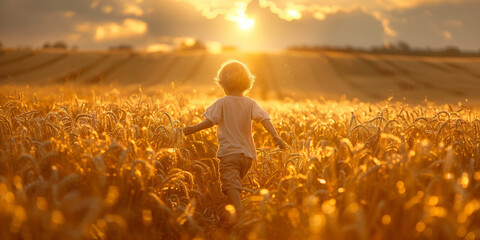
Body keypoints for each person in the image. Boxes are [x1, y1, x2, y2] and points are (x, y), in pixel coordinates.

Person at [183, 60, 286, 213]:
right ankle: (233, 212)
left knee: (230, 185)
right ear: (246, 82)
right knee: (235, 185)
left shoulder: (222, 103)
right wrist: (276, 136)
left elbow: (210, 121)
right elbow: (265, 118)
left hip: (229, 154)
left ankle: (238, 212)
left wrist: (193, 128)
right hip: (247, 156)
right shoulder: (251, 103)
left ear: (223, 83)